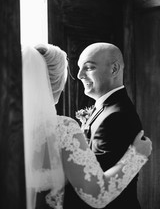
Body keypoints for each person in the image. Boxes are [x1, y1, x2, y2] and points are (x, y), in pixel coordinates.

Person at [22, 44, 152, 209]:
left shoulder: (10, 127)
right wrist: (137, 155)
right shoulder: (63, 127)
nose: (78, 75)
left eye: (88, 67)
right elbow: (97, 192)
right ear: (57, 81)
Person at [76, 42, 149, 209]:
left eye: (88, 67)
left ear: (114, 69)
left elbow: (97, 183)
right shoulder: (104, 108)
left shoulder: (116, 116)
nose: (79, 75)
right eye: (79, 68)